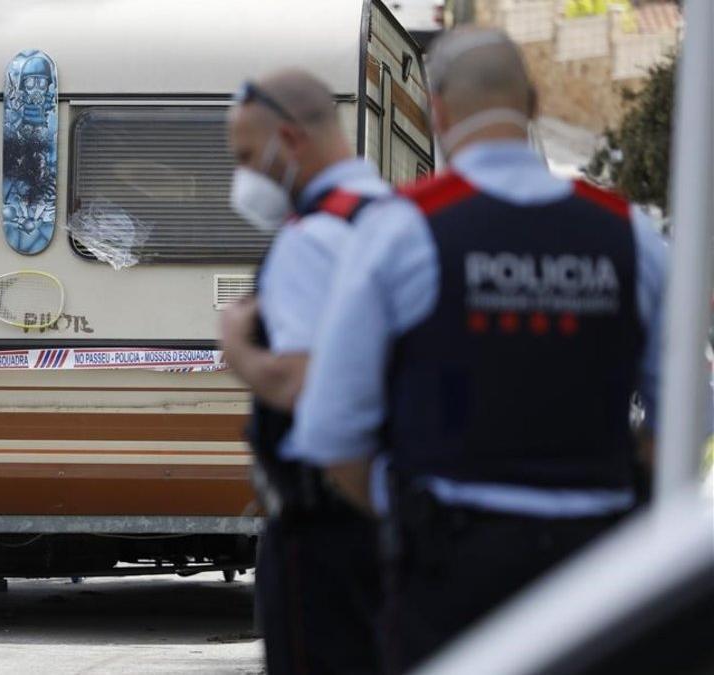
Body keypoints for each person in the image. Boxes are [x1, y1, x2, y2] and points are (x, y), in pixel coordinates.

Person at [282, 29, 677, 672]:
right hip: (596, 569)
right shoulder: (631, 235)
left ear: (436, 110)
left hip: (451, 568)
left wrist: (410, 514)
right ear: (534, 102)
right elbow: (683, 415)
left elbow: (332, 433)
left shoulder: (403, 230)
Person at [219, 69, 390, 674]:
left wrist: (238, 351)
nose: (242, 178)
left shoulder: (311, 238)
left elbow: (304, 386)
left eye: (245, 156)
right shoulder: (391, 217)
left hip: (323, 525)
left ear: (288, 141)